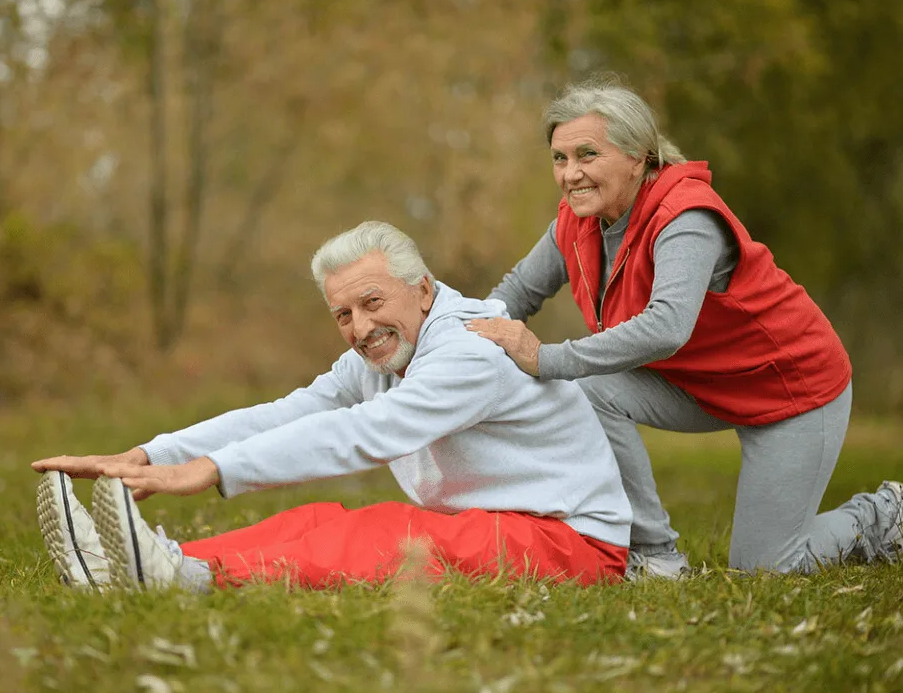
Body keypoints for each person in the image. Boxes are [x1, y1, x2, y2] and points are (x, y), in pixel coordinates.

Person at [32, 221, 632, 592]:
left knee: (384, 530)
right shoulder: (383, 350)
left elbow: (367, 433)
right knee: (314, 520)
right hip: (495, 525)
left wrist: (210, 472)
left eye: (373, 302)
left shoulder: (471, 346)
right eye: (344, 314)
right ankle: (143, 563)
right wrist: (151, 453)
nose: (361, 327)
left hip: (569, 542)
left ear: (422, 287)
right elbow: (288, 414)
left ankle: (191, 580)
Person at [466, 76, 903, 578]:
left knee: (766, 568)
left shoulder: (685, 217)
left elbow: (667, 326)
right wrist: (459, 340)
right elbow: (516, 293)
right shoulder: (574, 220)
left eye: (587, 154)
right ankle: (654, 554)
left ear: (638, 156)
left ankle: (883, 515)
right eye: (559, 158)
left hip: (790, 387)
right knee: (585, 387)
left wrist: (546, 358)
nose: (570, 174)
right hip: (696, 383)